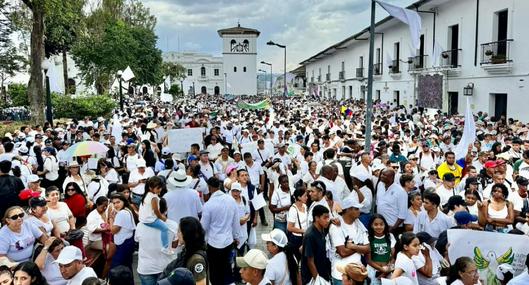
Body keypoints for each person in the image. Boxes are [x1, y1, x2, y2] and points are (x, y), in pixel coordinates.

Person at [200, 177, 240, 285]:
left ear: (209, 187)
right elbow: (236, 221)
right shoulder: (231, 200)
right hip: (228, 241)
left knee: (214, 271)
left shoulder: (208, 205)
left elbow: (203, 227)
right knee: (227, 269)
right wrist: (237, 236)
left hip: (213, 243)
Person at [160, 217, 208, 285]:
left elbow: (201, 283)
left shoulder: (197, 259)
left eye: (179, 231)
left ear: (186, 234)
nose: (177, 234)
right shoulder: (188, 251)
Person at [139, 176, 172, 254]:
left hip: (144, 218)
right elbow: (156, 211)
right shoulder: (154, 198)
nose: (160, 190)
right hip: (149, 220)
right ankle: (165, 247)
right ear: (151, 188)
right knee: (165, 228)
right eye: (158, 188)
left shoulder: (148, 193)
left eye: (160, 188)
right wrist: (162, 218)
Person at [301, 205, 331, 284]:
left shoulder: (322, 228)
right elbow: (310, 262)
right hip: (312, 278)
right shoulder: (310, 235)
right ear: (317, 218)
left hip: (323, 272)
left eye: (328, 217)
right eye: (325, 218)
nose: (327, 220)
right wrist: (317, 280)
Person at [108, 193, 136, 271]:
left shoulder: (122, 213)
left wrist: (111, 219)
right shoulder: (127, 210)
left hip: (124, 245)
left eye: (118, 202)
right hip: (128, 242)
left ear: (123, 201)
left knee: (116, 269)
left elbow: (113, 231)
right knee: (127, 268)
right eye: (114, 203)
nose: (116, 205)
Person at [367, 214, 396, 285]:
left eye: (381, 224)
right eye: (376, 224)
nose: (379, 227)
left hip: (387, 271)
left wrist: (387, 270)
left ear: (385, 225)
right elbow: (368, 260)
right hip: (373, 272)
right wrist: (382, 270)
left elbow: (393, 256)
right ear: (371, 225)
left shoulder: (390, 236)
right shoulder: (368, 237)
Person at [286, 187, 308, 254]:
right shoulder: (293, 209)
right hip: (297, 239)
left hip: (306, 237)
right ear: (299, 197)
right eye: (305, 196)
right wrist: (303, 230)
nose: (307, 197)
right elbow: (289, 227)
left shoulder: (305, 206)